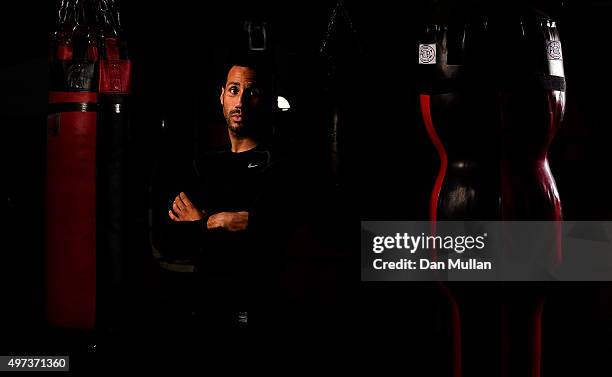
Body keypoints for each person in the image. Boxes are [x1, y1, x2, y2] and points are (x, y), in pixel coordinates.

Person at [166, 55, 298, 329]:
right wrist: (225, 221)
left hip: (258, 305)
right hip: (207, 303)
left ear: (263, 100)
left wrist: (204, 221)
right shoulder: (203, 164)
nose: (240, 102)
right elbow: (178, 237)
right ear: (222, 96)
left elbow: (268, 235)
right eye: (234, 90)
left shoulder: (278, 164)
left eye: (252, 92)